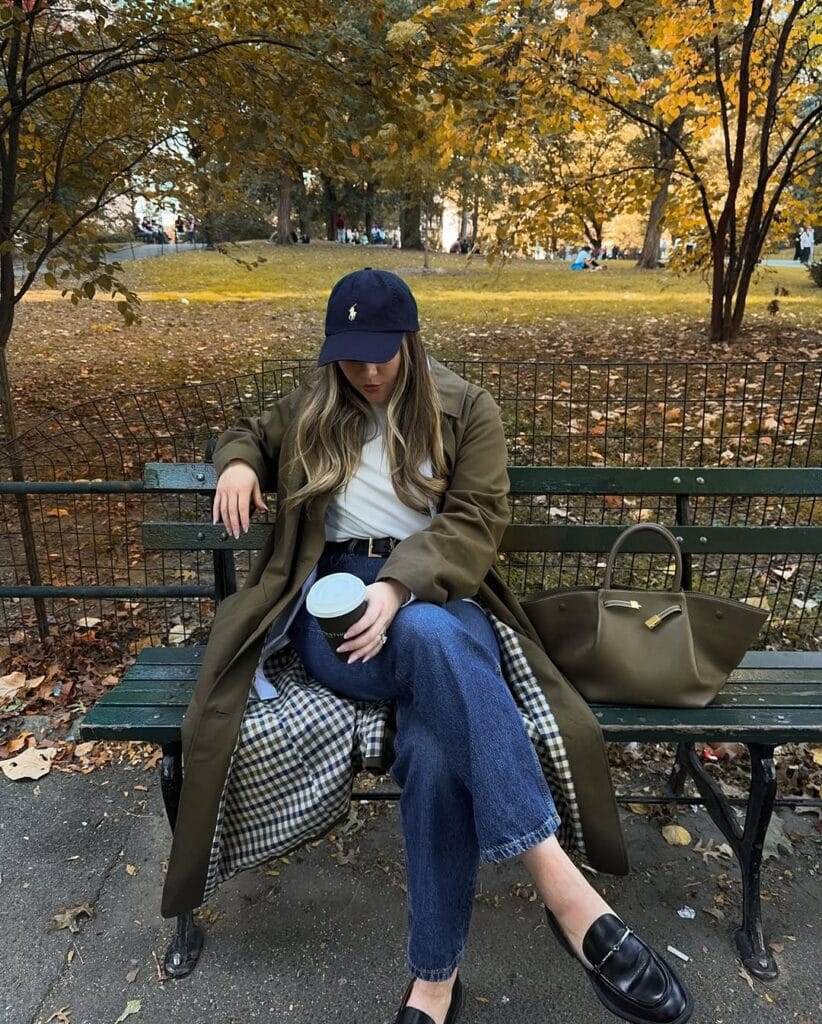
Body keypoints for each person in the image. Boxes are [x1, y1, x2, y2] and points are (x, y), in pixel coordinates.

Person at [162, 269, 692, 1024]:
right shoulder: (316, 402)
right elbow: (249, 431)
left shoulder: (466, 406)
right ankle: (565, 891)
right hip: (333, 609)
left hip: (441, 595)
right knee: (435, 658)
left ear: (410, 341)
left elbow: (476, 519)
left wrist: (400, 586)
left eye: (381, 354)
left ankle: (435, 985)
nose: (368, 371)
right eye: (351, 355)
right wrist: (242, 462)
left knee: (437, 740)